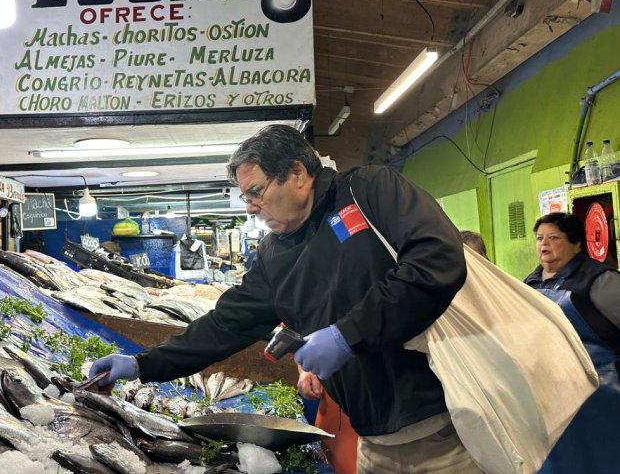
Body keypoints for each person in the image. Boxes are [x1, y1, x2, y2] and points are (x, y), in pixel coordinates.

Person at [90, 124, 474, 473]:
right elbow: (227, 324)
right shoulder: (275, 254)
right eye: (245, 197)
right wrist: (143, 363)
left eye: (256, 192)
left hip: (447, 427)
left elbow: (437, 259)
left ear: (298, 174)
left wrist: (347, 335)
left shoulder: (370, 190)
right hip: (373, 440)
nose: (250, 207)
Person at [523, 212, 620, 474]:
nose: (544, 244)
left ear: (576, 243)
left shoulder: (600, 281)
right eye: (540, 238)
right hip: (548, 395)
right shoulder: (528, 284)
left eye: (554, 237)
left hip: (601, 396)